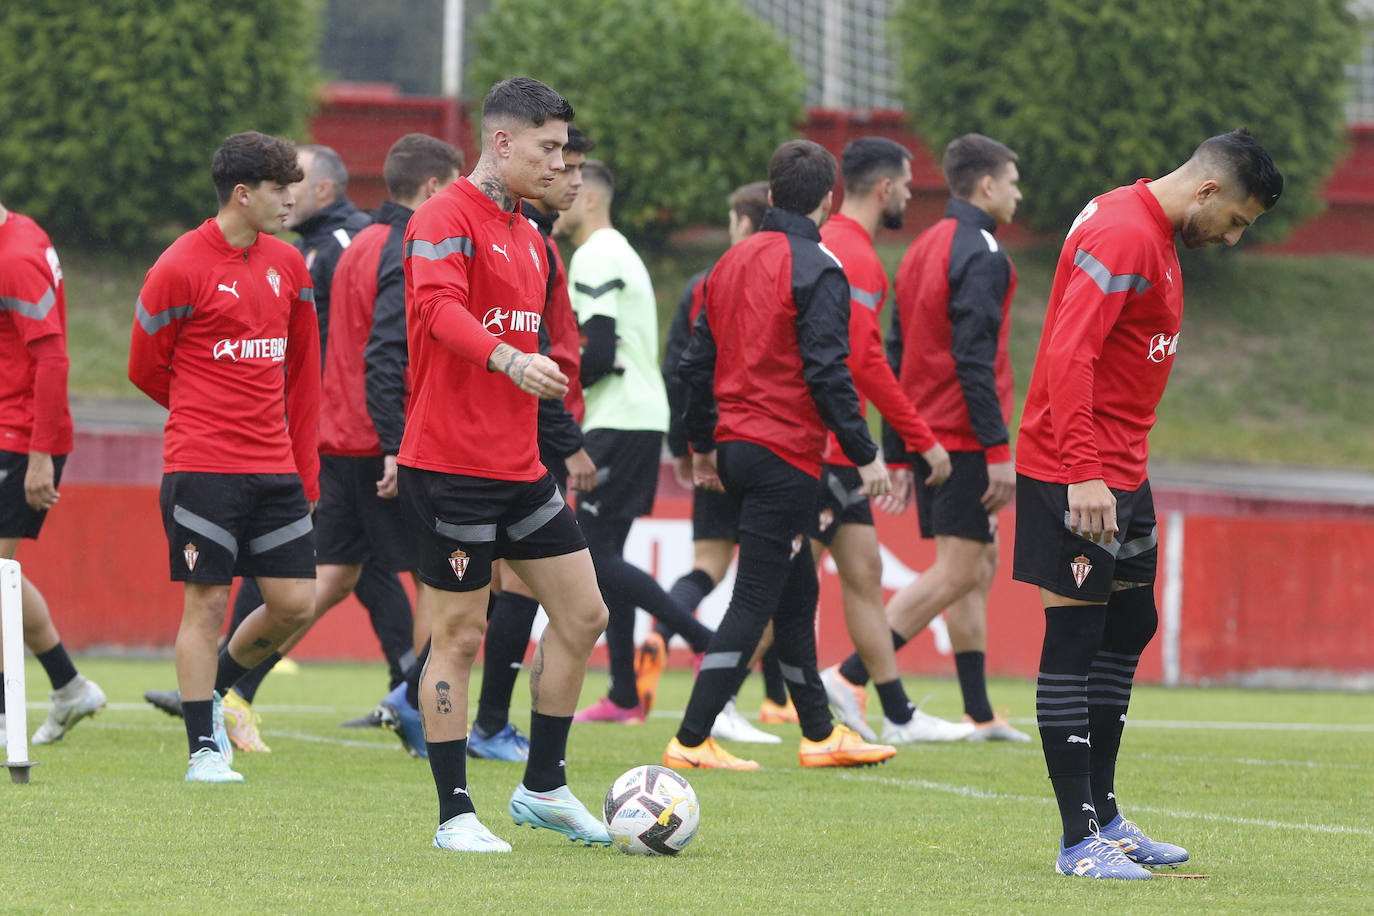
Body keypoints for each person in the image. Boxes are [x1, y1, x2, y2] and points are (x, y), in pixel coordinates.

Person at [1014, 128, 1281, 878]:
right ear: (1207, 190)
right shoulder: (1126, 232)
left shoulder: (1153, 231)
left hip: (1123, 472)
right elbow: (1071, 352)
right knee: (1072, 643)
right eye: (1234, 221)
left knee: (1130, 623)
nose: (1229, 238)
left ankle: (1106, 817)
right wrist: (1082, 470)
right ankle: (1077, 843)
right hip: (1079, 472)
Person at [400, 76, 609, 852]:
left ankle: (544, 787)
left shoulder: (533, 237)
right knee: (459, 633)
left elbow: (553, 351)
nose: (561, 164)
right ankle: (455, 814)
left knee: (585, 613)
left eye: (564, 149)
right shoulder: (441, 217)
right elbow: (435, 311)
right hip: (450, 465)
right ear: (501, 143)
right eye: (548, 149)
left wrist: (552, 411)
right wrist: (507, 359)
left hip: (519, 466)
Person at [217, 134, 461, 757]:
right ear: (433, 188)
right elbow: (386, 354)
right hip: (381, 441)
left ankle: (229, 689)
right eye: (455, 185)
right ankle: (412, 702)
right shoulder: (404, 246)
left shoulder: (356, 246)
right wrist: (393, 443)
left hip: (339, 437)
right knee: (440, 576)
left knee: (333, 576)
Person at [663, 139, 897, 771]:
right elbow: (828, 372)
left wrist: (703, 444)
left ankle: (820, 735)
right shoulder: (819, 267)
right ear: (830, 200)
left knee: (795, 596)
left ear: (769, 196)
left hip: (735, 451)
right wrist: (865, 453)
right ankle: (689, 741)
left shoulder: (727, 266)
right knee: (754, 600)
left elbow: (694, 365)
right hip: (784, 455)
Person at [128, 131, 321, 783]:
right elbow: (144, 367)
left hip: (276, 469)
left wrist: (305, 465)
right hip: (203, 466)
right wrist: (200, 410)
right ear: (244, 194)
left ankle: (220, 691)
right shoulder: (178, 265)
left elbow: (302, 372)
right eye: (279, 189)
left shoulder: (289, 265)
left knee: (297, 602)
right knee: (206, 604)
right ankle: (203, 750)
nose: (290, 200)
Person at [824, 134, 1028, 743]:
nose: (1019, 194)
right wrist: (997, 451)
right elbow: (973, 359)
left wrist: (899, 448)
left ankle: (980, 712)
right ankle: (850, 674)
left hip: (930, 434)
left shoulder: (920, 249)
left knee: (976, 564)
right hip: (962, 438)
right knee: (961, 568)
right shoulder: (984, 251)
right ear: (987, 185)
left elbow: (895, 350)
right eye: (1013, 182)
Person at [807, 136, 968, 745]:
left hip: (839, 448)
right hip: (824, 447)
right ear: (884, 189)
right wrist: (922, 442)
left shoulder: (847, 247)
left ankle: (895, 712)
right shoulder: (856, 255)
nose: (910, 193)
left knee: (865, 569)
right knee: (785, 583)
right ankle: (715, 703)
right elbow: (867, 363)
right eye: (906, 184)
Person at [557, 159, 714, 725]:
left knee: (593, 556)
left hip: (618, 419)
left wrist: (548, 383)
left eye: (570, 189)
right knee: (605, 559)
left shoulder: (596, 254)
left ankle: (704, 639)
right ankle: (625, 693)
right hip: (635, 418)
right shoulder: (620, 252)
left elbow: (596, 351)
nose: (560, 197)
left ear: (592, 198)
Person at [466, 125, 598, 762]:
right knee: (511, 589)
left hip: (530, 432)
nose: (571, 178)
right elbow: (529, 357)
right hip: (521, 437)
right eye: (561, 163)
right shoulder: (513, 240)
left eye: (576, 167)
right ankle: (487, 722)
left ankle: (467, 715)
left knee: (512, 589)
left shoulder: (537, 243)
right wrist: (568, 442)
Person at [656, 180, 793, 744]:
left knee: (710, 566)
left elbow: (680, 368)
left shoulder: (706, 281)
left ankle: (664, 627)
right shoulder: (789, 276)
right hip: (771, 447)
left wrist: (687, 444)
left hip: (713, 445)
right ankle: (727, 699)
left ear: (741, 222)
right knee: (771, 581)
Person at [0, 200, 106, 744]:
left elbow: (53, 358)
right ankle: (68, 687)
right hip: (13, 431)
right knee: (1, 576)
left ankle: (8, 708)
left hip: (18, 437)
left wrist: (40, 455)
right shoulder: (20, 232)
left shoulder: (15, 256)